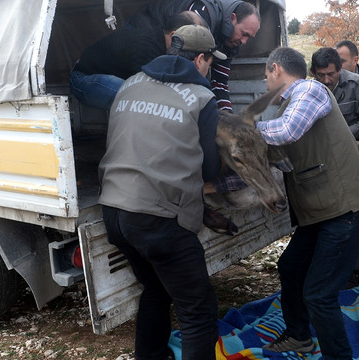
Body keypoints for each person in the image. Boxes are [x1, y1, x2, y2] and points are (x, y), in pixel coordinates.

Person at [98, 25, 228, 360]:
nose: (210, 68)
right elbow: (210, 168)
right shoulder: (202, 98)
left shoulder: (128, 84)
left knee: (156, 289)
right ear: (200, 59)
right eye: (210, 61)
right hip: (158, 219)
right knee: (198, 309)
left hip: (113, 210)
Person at [256, 46, 359, 360]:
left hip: (347, 211)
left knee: (319, 294)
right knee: (291, 267)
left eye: (265, 74)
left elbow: (287, 132)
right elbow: (286, 158)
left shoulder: (309, 90)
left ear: (275, 69)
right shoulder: (290, 104)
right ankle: (300, 336)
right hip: (324, 213)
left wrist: (242, 130)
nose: (265, 81)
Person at [309, 47, 359, 287]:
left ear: (341, 68)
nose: (327, 80)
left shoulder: (358, 85)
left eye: (331, 74)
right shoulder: (309, 90)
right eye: (321, 75)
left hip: (356, 158)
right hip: (324, 163)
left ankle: (357, 269)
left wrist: (343, 136)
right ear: (313, 73)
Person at [125, 0, 261, 112]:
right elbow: (185, 68)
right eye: (244, 34)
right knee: (139, 98)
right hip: (141, 32)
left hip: (166, 52)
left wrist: (227, 117)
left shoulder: (231, 43)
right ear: (233, 18)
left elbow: (219, 83)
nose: (244, 42)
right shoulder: (201, 15)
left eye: (249, 38)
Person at [70, 11, 206, 110]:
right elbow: (147, 90)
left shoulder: (163, 44)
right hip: (82, 79)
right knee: (139, 97)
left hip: (112, 77)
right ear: (174, 35)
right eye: (192, 37)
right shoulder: (145, 46)